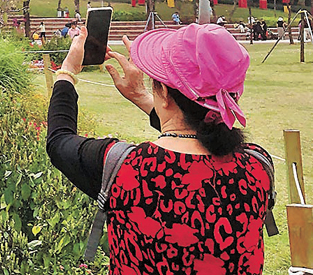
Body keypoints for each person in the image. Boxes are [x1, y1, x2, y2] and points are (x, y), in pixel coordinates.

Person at [46, 24, 273, 274]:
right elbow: (199, 134)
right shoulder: (257, 167)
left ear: (164, 92)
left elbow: (59, 141)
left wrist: (67, 72)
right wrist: (143, 97)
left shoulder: (124, 168)